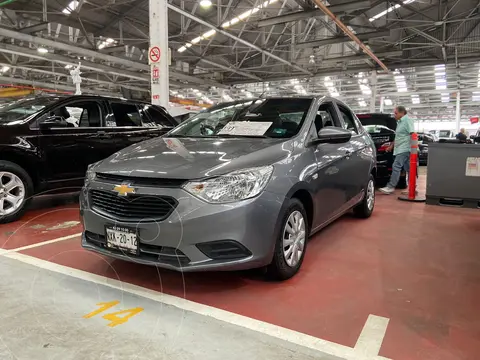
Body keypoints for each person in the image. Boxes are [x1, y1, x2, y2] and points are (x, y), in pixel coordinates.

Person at [379, 106, 416, 195]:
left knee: (396, 166)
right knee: (409, 169)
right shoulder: (400, 122)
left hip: (405, 148)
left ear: (402, 113)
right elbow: (399, 136)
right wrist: (391, 146)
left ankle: (391, 186)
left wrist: (414, 150)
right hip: (400, 148)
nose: (394, 115)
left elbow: (413, 134)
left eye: (396, 113)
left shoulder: (407, 120)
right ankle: (412, 188)